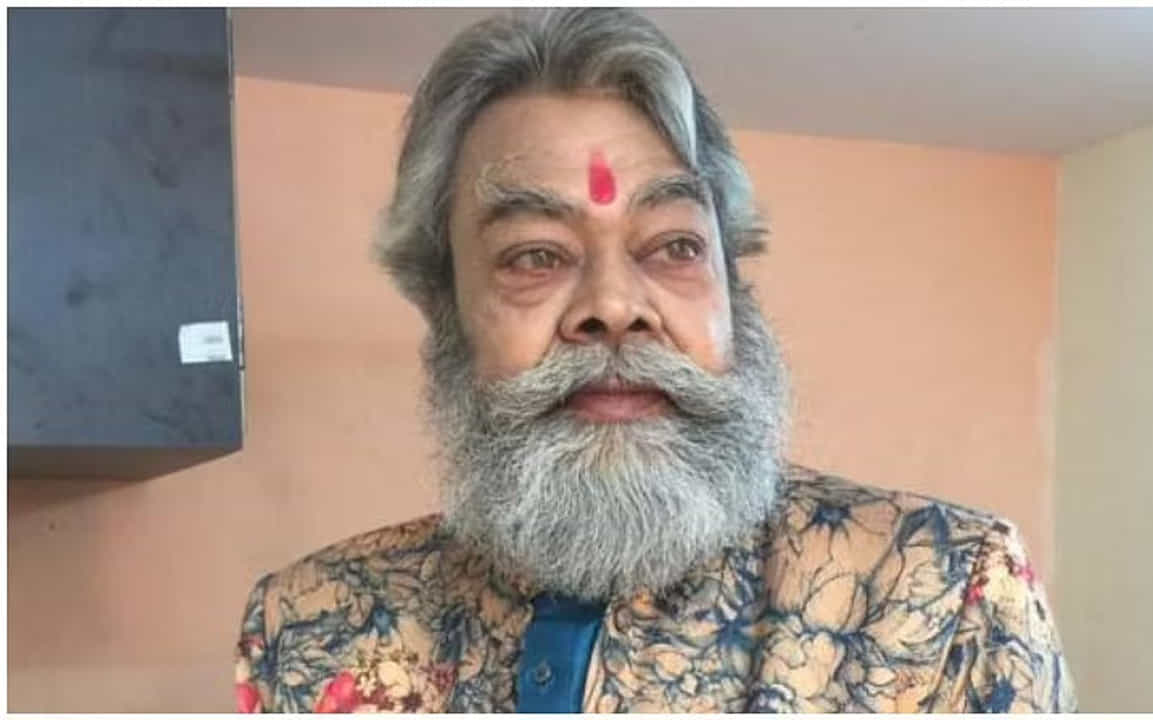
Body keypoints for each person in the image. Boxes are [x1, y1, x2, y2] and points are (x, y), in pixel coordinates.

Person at [234, 8, 1076, 713]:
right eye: (534, 254)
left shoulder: (944, 594)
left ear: (733, 288)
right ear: (445, 307)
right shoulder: (308, 625)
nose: (614, 304)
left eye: (674, 246)